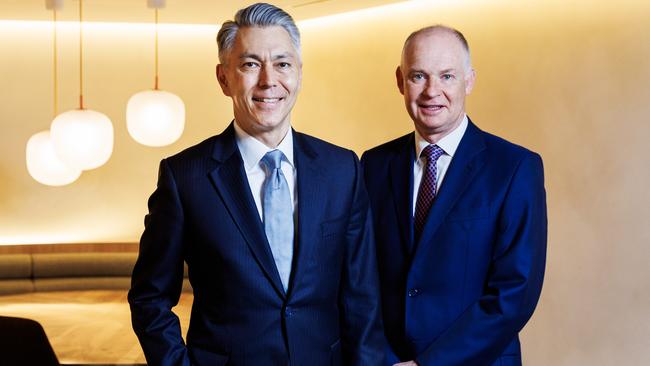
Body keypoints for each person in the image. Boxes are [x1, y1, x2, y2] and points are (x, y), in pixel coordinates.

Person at [128, 3, 384, 365]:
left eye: (282, 64)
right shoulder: (185, 177)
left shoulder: (343, 169)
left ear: (298, 73)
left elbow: (362, 298)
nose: (268, 81)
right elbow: (149, 298)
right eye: (250, 64)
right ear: (224, 78)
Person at [361, 25, 547, 366]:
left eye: (447, 76)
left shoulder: (514, 168)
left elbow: (514, 293)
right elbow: (361, 279)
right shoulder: (373, 165)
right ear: (400, 81)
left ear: (469, 81)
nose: (432, 91)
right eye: (419, 76)